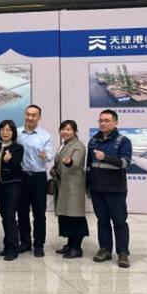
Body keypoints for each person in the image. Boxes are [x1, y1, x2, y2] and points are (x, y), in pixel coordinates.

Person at [86, 109, 132, 268]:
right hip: (97, 189)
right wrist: (87, 186)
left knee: (119, 222)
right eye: (101, 120)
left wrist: (105, 157)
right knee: (102, 221)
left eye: (107, 120)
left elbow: (125, 163)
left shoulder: (123, 141)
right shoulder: (93, 141)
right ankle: (105, 249)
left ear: (115, 122)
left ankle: (123, 253)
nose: (103, 123)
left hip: (115, 190)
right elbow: (89, 166)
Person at [17, 104, 54, 257]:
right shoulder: (17, 133)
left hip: (38, 177)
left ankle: (39, 244)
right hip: (21, 177)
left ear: (39, 117)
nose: (30, 117)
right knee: (22, 213)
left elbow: (50, 156)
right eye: (28, 114)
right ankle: (25, 242)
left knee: (39, 214)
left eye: (34, 115)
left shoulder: (45, 135)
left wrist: (45, 156)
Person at [52, 120, 88, 259]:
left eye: (68, 129)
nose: (65, 132)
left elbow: (75, 163)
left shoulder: (78, 146)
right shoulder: (64, 144)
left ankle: (77, 248)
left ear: (75, 131)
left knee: (75, 217)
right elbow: (59, 162)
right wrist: (54, 169)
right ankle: (70, 244)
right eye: (63, 129)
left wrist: (70, 162)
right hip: (64, 184)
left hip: (73, 186)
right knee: (67, 216)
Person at [0, 120, 24, 261]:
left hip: (12, 185)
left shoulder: (17, 148)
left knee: (10, 217)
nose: (5, 132)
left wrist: (8, 160)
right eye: (2, 129)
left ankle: (13, 248)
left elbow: (15, 165)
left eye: (8, 130)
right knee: (4, 216)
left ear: (13, 133)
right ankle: (7, 245)